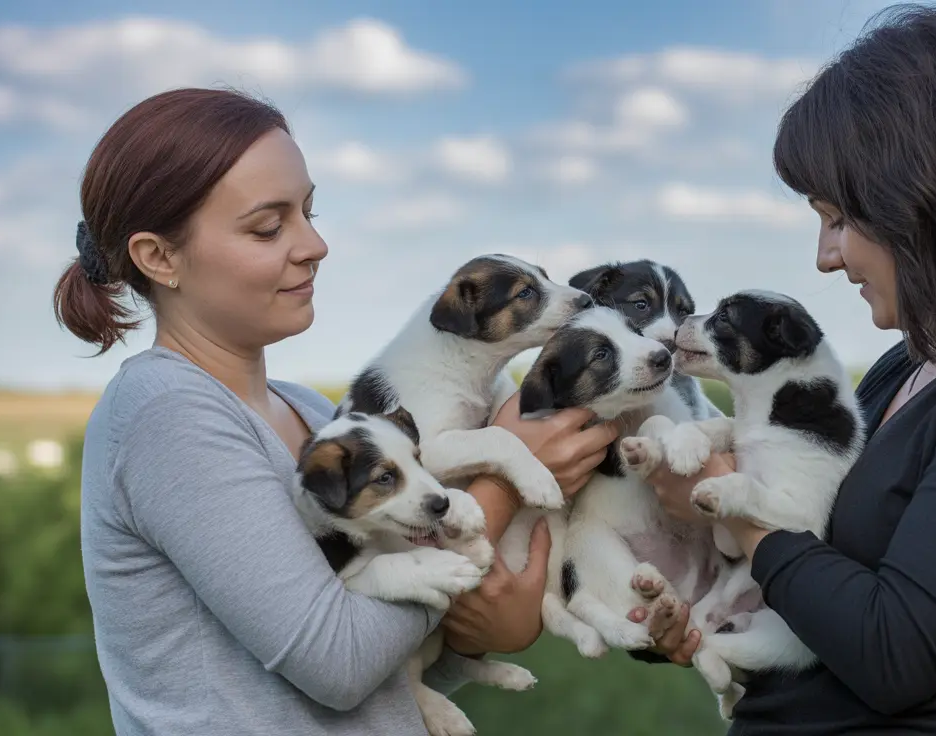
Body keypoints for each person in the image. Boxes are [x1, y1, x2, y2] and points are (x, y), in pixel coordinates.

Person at [629, 6, 936, 735]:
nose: (825, 257)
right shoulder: (909, 366)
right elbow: (818, 586)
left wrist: (736, 511)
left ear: (922, 199)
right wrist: (702, 615)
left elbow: (896, 651)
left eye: (838, 219)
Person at [53, 87, 617, 736]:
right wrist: (497, 494)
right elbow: (339, 663)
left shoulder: (311, 412)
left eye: (308, 211)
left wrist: (474, 639)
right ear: (158, 257)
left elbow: (382, 671)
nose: (315, 244)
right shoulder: (167, 416)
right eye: (268, 227)